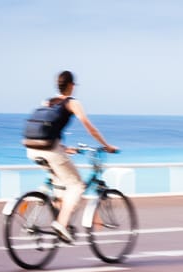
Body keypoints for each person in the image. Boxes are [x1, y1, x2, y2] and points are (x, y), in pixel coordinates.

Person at [25, 70, 118, 244]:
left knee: (61, 187)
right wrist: (107, 146)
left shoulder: (47, 102)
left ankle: (47, 215)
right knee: (76, 185)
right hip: (51, 151)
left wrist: (64, 148)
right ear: (71, 86)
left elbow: (48, 129)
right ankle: (61, 224)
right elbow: (89, 127)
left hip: (32, 148)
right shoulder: (72, 103)